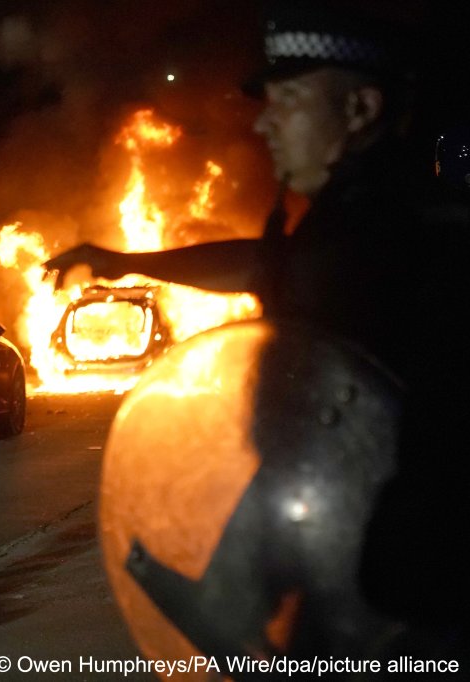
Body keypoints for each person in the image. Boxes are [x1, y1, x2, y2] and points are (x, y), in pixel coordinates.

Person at [52, 0, 467, 658]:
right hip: (335, 563)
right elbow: (256, 263)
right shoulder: (343, 221)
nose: (265, 123)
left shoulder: (409, 243)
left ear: (359, 110)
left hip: (399, 597)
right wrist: (122, 260)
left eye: (289, 100)